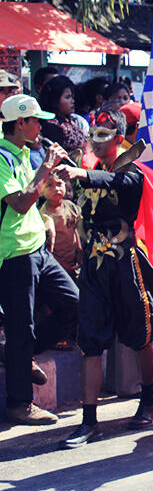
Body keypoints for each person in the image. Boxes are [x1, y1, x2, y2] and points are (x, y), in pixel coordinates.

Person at [53, 108, 153, 448]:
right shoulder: (91, 167)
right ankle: (89, 420)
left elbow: (121, 183)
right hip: (95, 267)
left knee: (140, 333)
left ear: (118, 138)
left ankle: (148, 398)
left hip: (127, 262)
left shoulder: (132, 168)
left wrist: (82, 174)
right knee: (90, 340)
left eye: (104, 136)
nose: (96, 142)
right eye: (94, 135)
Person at [0, 94, 79, 425]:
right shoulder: (3, 157)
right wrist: (45, 167)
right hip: (14, 255)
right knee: (21, 328)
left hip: (36, 249)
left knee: (75, 304)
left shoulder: (21, 153)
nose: (41, 126)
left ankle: (19, 357)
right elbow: (20, 202)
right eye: (35, 121)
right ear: (20, 123)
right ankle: (20, 404)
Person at [40, 175, 82, 278]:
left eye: (59, 184)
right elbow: (47, 247)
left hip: (74, 260)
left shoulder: (70, 207)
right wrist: (62, 265)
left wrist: (80, 252)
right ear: (41, 190)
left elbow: (74, 229)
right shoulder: (44, 216)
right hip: (57, 264)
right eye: (50, 186)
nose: (56, 189)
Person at [40, 76, 87, 152]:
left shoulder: (70, 121)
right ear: (55, 100)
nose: (72, 101)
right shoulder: (52, 126)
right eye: (67, 97)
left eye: (72, 97)